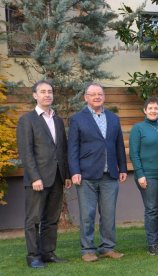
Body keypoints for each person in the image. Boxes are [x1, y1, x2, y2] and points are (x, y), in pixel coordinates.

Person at [68, 83, 127, 262]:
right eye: (92, 94)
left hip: (110, 175)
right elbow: (73, 148)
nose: (96, 97)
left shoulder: (113, 118)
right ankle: (88, 250)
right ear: (85, 97)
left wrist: (123, 168)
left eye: (99, 94)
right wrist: (74, 171)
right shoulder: (77, 119)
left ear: (104, 97)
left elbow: (118, 145)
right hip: (86, 175)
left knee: (108, 214)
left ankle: (107, 248)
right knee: (87, 215)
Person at [17, 80, 71, 268]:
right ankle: (33, 256)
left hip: (57, 177)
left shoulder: (57, 119)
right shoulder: (27, 120)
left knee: (51, 218)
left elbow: (62, 150)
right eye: (43, 92)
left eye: (50, 92)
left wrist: (67, 175)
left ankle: (48, 253)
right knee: (33, 219)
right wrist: (35, 177)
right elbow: (26, 152)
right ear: (35, 95)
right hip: (37, 180)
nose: (47, 95)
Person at [129, 97, 158, 256]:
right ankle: (152, 243)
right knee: (152, 210)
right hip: (147, 176)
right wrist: (140, 174)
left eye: (156, 108)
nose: (153, 111)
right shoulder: (138, 128)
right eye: (150, 108)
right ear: (145, 111)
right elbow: (134, 153)